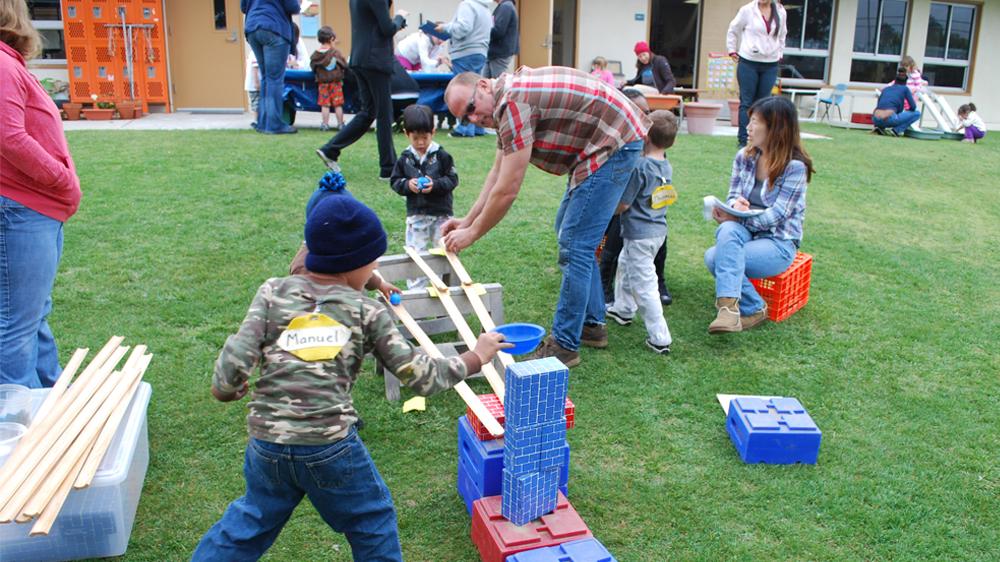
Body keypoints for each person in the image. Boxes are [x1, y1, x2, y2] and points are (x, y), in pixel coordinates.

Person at [191, 194, 511, 561]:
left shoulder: (272, 292)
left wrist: (226, 388)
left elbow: (232, 363)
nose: (375, 267)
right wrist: (476, 356)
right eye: (372, 261)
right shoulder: (367, 313)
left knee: (250, 521)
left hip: (268, 444)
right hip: (329, 447)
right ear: (356, 262)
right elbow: (421, 377)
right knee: (371, 521)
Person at [442, 68, 650, 368]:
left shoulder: (512, 103)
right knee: (570, 233)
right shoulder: (505, 104)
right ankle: (592, 324)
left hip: (615, 141)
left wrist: (473, 234)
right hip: (596, 146)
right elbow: (497, 173)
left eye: (472, 109)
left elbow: (508, 190)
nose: (474, 120)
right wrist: (467, 221)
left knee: (575, 243)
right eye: (465, 118)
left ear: (484, 86)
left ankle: (565, 345)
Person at [0, 0, 82, 388]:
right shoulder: (1, 65)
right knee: (17, 323)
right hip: (20, 207)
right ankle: (21, 424)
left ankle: (52, 393)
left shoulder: (8, 63)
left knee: (33, 313)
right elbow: (9, 138)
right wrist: (60, 180)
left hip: (32, 208)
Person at [704, 96, 813, 334]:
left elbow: (777, 215)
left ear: (775, 127)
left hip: (778, 242)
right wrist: (733, 205)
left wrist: (739, 217)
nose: (748, 127)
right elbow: (733, 194)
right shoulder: (745, 156)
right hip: (745, 233)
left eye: (754, 122)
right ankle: (736, 309)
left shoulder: (795, 167)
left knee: (717, 258)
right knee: (725, 232)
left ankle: (741, 308)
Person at [604, 110, 678, 355]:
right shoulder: (665, 165)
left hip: (640, 234)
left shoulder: (640, 166)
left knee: (645, 284)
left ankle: (660, 337)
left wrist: (606, 211)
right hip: (657, 232)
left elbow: (625, 203)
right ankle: (624, 309)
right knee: (626, 263)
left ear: (644, 136)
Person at [316, 0, 408, 179]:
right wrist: (400, 18)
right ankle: (388, 168)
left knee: (368, 112)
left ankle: (330, 150)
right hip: (375, 60)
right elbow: (387, 29)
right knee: (384, 114)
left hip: (359, 58)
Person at [600, 89, 671, 306]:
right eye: (639, 112)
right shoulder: (612, 137)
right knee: (615, 233)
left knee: (658, 230)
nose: (645, 119)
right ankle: (604, 285)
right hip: (614, 202)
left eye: (647, 113)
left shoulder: (653, 149)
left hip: (641, 207)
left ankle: (659, 279)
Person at [390, 105, 459, 288]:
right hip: (417, 215)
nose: (420, 142)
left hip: (441, 215)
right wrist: (407, 185)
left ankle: (448, 287)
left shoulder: (442, 156)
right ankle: (416, 293)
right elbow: (395, 181)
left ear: (433, 132)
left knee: (445, 252)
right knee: (416, 255)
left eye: (425, 138)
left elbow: (452, 179)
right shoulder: (405, 158)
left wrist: (435, 185)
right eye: (415, 138)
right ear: (406, 134)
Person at [727, 0, 787, 148]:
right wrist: (732, 50)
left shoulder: (780, 11)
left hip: (770, 63)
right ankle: (743, 140)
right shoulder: (747, 10)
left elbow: (782, 35)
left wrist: (779, 53)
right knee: (747, 102)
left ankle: (760, 140)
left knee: (763, 104)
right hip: (749, 61)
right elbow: (733, 30)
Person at [241, 0, 300, 134]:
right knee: (275, 79)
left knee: (266, 77)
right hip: (274, 28)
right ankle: (274, 124)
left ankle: (263, 123)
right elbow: (293, 7)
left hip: (252, 28)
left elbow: (243, 7)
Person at [438, 0, 492, 137]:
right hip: (480, 52)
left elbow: (463, 28)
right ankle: (479, 128)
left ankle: (464, 128)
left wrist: (445, 27)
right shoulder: (485, 8)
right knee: (477, 91)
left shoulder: (467, 5)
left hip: (465, 52)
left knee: (463, 91)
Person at [310, 25, 347, 131]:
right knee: (338, 104)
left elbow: (312, 67)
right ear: (331, 39)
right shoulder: (335, 53)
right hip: (336, 83)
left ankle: (325, 124)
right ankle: (340, 124)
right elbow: (344, 64)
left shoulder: (315, 55)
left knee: (325, 105)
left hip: (322, 83)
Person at [872, 69, 920, 137]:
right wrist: (907, 111)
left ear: (895, 81)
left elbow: (879, 104)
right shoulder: (905, 89)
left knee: (888, 112)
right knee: (917, 113)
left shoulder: (886, 89)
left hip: (875, 119)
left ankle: (880, 128)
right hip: (890, 118)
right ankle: (896, 130)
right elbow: (913, 106)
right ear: (905, 82)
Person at [485, 0, 518, 79]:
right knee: (486, 84)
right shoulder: (504, 6)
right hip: (494, 54)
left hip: (499, 54)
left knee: (499, 86)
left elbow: (498, 31)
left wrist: (482, 31)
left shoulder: (506, 7)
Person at [244, 49, 260, 127]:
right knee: (257, 103)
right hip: (254, 84)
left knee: (255, 102)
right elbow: (255, 68)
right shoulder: (256, 53)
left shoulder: (252, 52)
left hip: (251, 83)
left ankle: (257, 120)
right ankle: (257, 121)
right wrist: (256, 82)